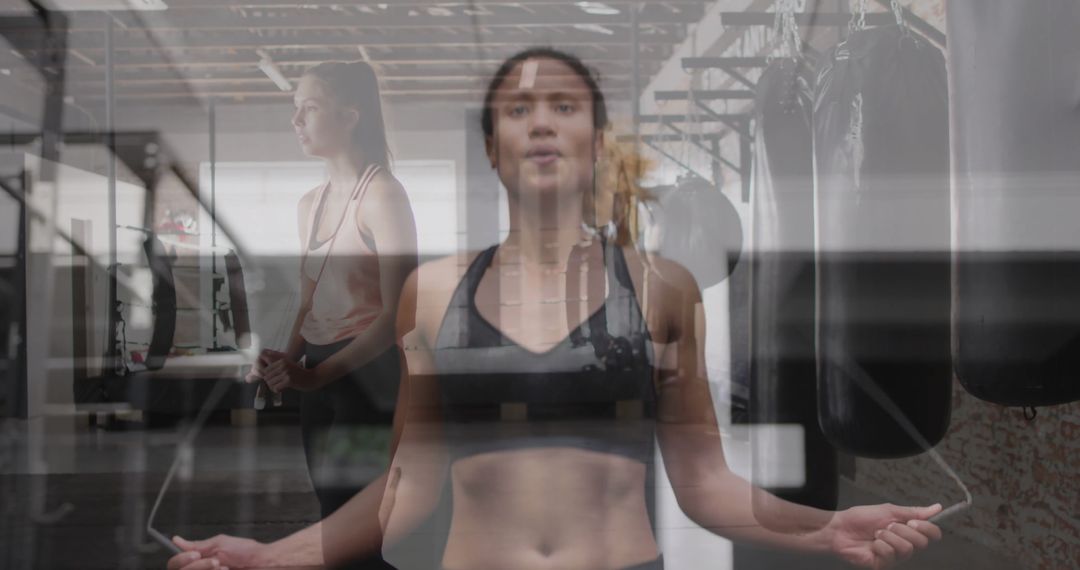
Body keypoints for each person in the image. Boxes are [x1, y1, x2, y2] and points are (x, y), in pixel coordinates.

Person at [168, 48, 941, 570]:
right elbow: (406, 489)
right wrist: (275, 557)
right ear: (492, 147)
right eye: (517, 110)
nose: (541, 123)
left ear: (596, 140)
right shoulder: (431, 294)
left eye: (564, 106)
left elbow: (703, 483)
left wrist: (826, 527)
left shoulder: (663, 287)